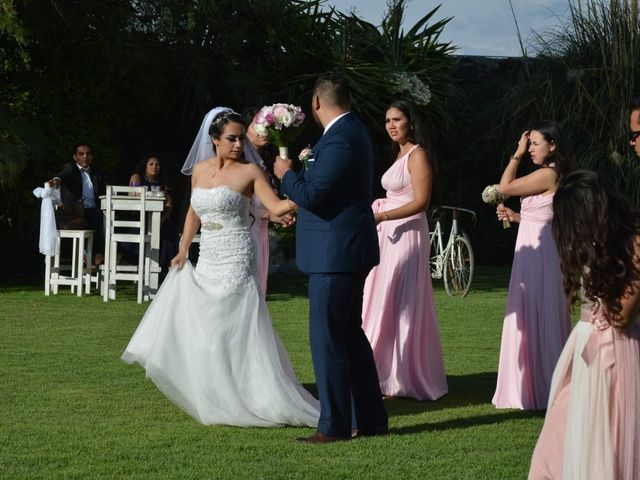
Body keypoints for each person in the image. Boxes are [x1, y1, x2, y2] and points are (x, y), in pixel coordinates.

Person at [121, 108, 320, 428]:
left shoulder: (251, 172)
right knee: (207, 322)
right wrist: (183, 249)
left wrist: (305, 188)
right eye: (232, 138)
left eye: (242, 138)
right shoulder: (199, 171)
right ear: (214, 140)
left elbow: (277, 206)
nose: (239, 144)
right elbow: (192, 213)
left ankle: (250, 392)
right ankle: (216, 390)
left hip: (237, 253)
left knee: (232, 322)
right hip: (208, 253)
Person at [274, 72, 388, 443]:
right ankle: (370, 418)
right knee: (349, 336)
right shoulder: (348, 132)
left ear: (317, 102)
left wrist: (286, 175)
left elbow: (315, 194)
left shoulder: (340, 138)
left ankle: (334, 425)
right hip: (341, 248)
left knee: (328, 340)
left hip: (336, 253)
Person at [528, 170, 640, 479]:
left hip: (614, 352)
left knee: (606, 436)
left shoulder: (634, 246)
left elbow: (621, 317)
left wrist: (602, 266)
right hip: (583, 344)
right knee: (558, 436)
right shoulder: (593, 244)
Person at [360, 100, 447, 401]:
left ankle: (400, 375)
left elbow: (422, 201)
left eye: (397, 119)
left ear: (411, 122)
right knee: (384, 296)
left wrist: (383, 216)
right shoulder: (399, 154)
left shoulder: (417, 154)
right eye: (387, 121)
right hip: (389, 234)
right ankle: (379, 369)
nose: (392, 126)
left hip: (406, 233)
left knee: (402, 298)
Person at [491, 121, 573, 410]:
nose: (530, 150)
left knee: (540, 311)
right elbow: (544, 219)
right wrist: (516, 217)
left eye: (535, 144)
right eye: (529, 145)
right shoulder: (548, 174)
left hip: (541, 256)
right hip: (536, 251)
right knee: (533, 311)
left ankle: (544, 384)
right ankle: (534, 383)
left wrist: (515, 153)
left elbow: (505, 187)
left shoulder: (548, 173)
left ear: (552, 145)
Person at [242, 107, 294, 294]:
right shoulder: (240, 162)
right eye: (257, 125)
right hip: (244, 232)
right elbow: (237, 204)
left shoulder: (265, 162)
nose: (262, 130)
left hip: (260, 232)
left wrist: (280, 212)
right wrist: (270, 215)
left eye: (266, 125)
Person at [46, 142, 106, 263]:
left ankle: (101, 255)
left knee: (107, 220)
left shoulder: (96, 172)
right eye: (81, 154)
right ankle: (94, 255)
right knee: (95, 218)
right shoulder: (71, 168)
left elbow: (104, 190)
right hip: (74, 212)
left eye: (88, 154)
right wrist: (57, 179)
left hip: (93, 210)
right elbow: (63, 174)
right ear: (75, 157)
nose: (85, 156)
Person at [126, 155, 178, 269]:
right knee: (143, 228)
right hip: (140, 216)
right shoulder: (137, 177)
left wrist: (161, 219)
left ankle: (165, 265)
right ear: (145, 166)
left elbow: (169, 206)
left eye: (157, 165)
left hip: (160, 217)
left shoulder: (164, 183)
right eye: (151, 164)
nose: (154, 167)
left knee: (168, 228)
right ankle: (136, 260)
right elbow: (132, 194)